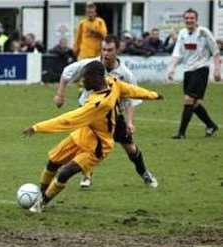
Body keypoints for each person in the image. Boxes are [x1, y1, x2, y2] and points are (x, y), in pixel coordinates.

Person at [22, 61, 163, 213]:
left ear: (96, 78)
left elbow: (67, 120)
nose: (82, 82)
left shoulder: (98, 104)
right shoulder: (112, 82)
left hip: (97, 146)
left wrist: (37, 127)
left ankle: (41, 203)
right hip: (82, 135)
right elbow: (131, 90)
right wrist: (152, 95)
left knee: (65, 172)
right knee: (52, 162)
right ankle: (41, 194)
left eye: (85, 78)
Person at [53, 35, 158, 189]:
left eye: (110, 50)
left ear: (118, 50)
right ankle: (87, 175)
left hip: (113, 116)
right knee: (86, 145)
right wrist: (60, 95)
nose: (106, 53)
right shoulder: (91, 65)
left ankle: (144, 173)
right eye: (103, 50)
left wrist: (129, 122)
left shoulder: (126, 74)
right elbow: (66, 73)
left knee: (130, 148)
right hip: (89, 114)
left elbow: (131, 100)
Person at [168, 8, 221, 139]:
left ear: (196, 20)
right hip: (188, 71)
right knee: (193, 103)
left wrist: (217, 69)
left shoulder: (203, 32)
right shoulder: (182, 33)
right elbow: (177, 52)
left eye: (192, 18)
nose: (189, 20)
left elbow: (215, 50)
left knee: (188, 100)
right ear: (184, 20)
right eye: (187, 18)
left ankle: (181, 133)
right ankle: (211, 125)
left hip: (201, 69)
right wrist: (172, 67)